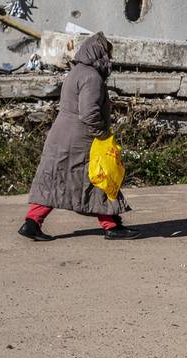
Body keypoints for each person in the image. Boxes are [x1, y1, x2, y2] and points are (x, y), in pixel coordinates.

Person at [18, 32, 139, 241]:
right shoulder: (92, 77)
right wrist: (102, 134)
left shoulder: (77, 72)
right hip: (80, 139)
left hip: (62, 135)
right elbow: (89, 112)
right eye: (107, 53)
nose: (109, 58)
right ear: (99, 53)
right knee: (99, 178)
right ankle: (112, 226)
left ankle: (32, 222)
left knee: (56, 180)